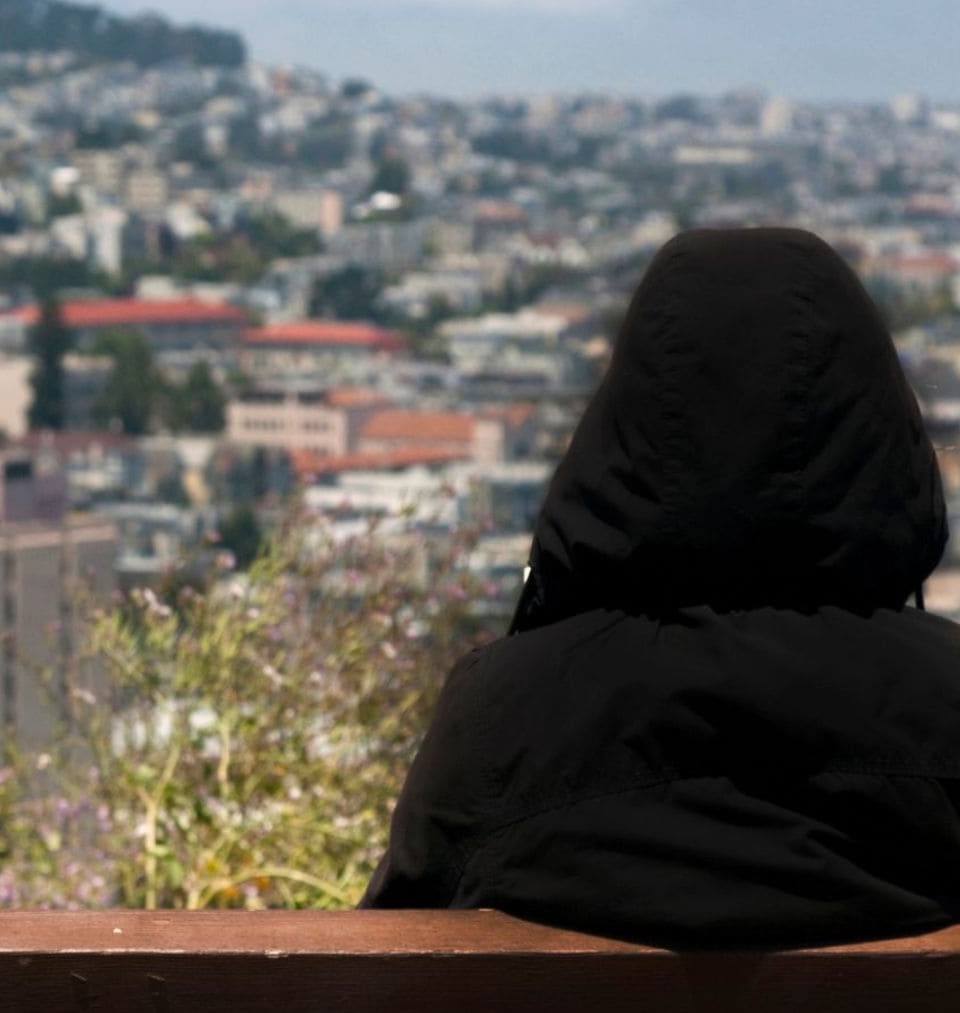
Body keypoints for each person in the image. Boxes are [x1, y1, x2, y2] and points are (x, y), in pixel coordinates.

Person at [362, 227, 960, 948]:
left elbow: (390, 954)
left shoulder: (503, 716)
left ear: (621, 429)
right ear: (881, 432)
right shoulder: (944, 700)